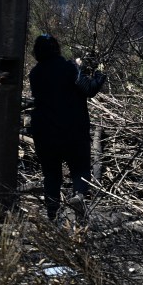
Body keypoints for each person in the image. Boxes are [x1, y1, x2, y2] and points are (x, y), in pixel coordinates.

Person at [28, 34, 106, 220]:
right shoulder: (69, 69)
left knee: (51, 175)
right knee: (80, 170)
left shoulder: (34, 74)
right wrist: (99, 75)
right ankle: (78, 199)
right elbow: (89, 89)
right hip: (73, 132)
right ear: (56, 49)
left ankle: (52, 215)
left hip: (45, 133)